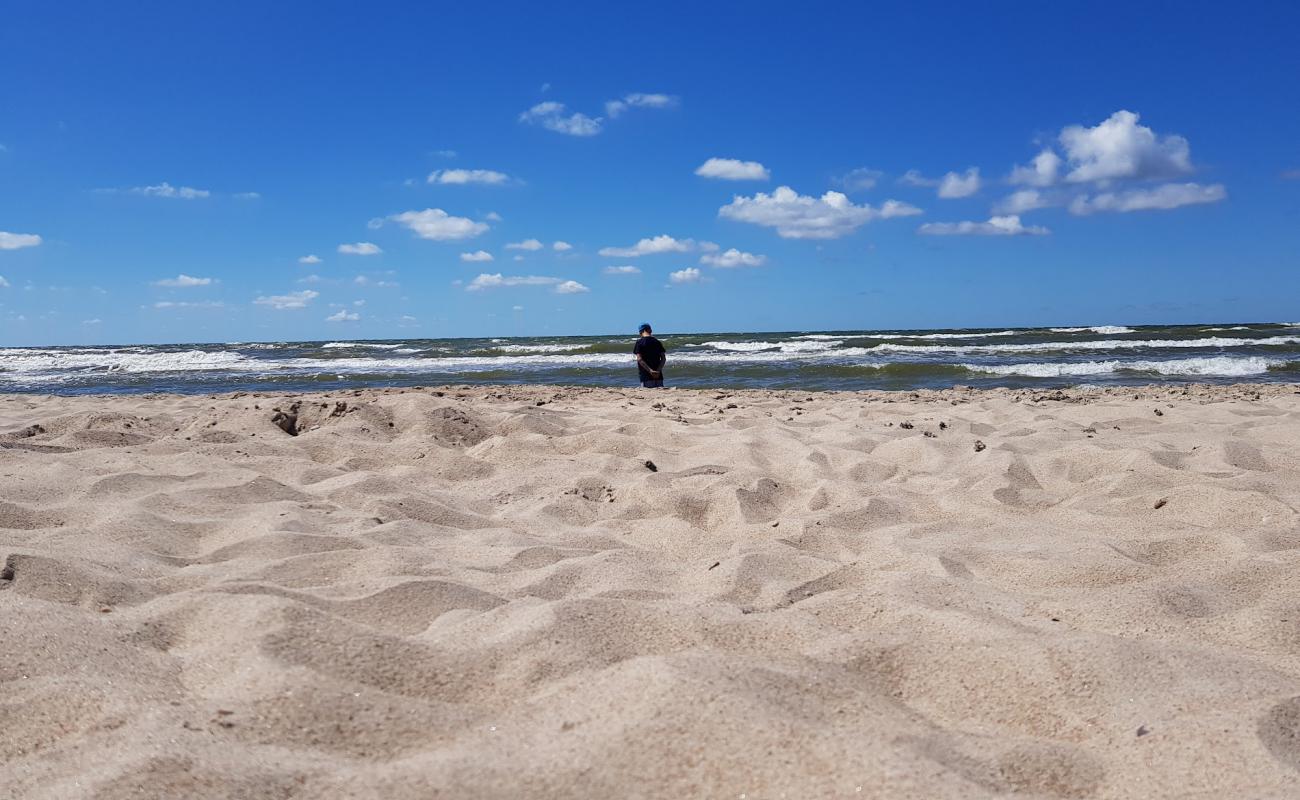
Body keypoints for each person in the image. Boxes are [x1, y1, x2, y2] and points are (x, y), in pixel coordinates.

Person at [632, 322, 666, 388]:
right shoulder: (657, 342)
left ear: (642, 331)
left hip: (646, 376)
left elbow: (639, 359)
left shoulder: (639, 342)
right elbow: (663, 358)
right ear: (650, 330)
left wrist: (650, 371)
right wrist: (658, 371)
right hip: (658, 376)